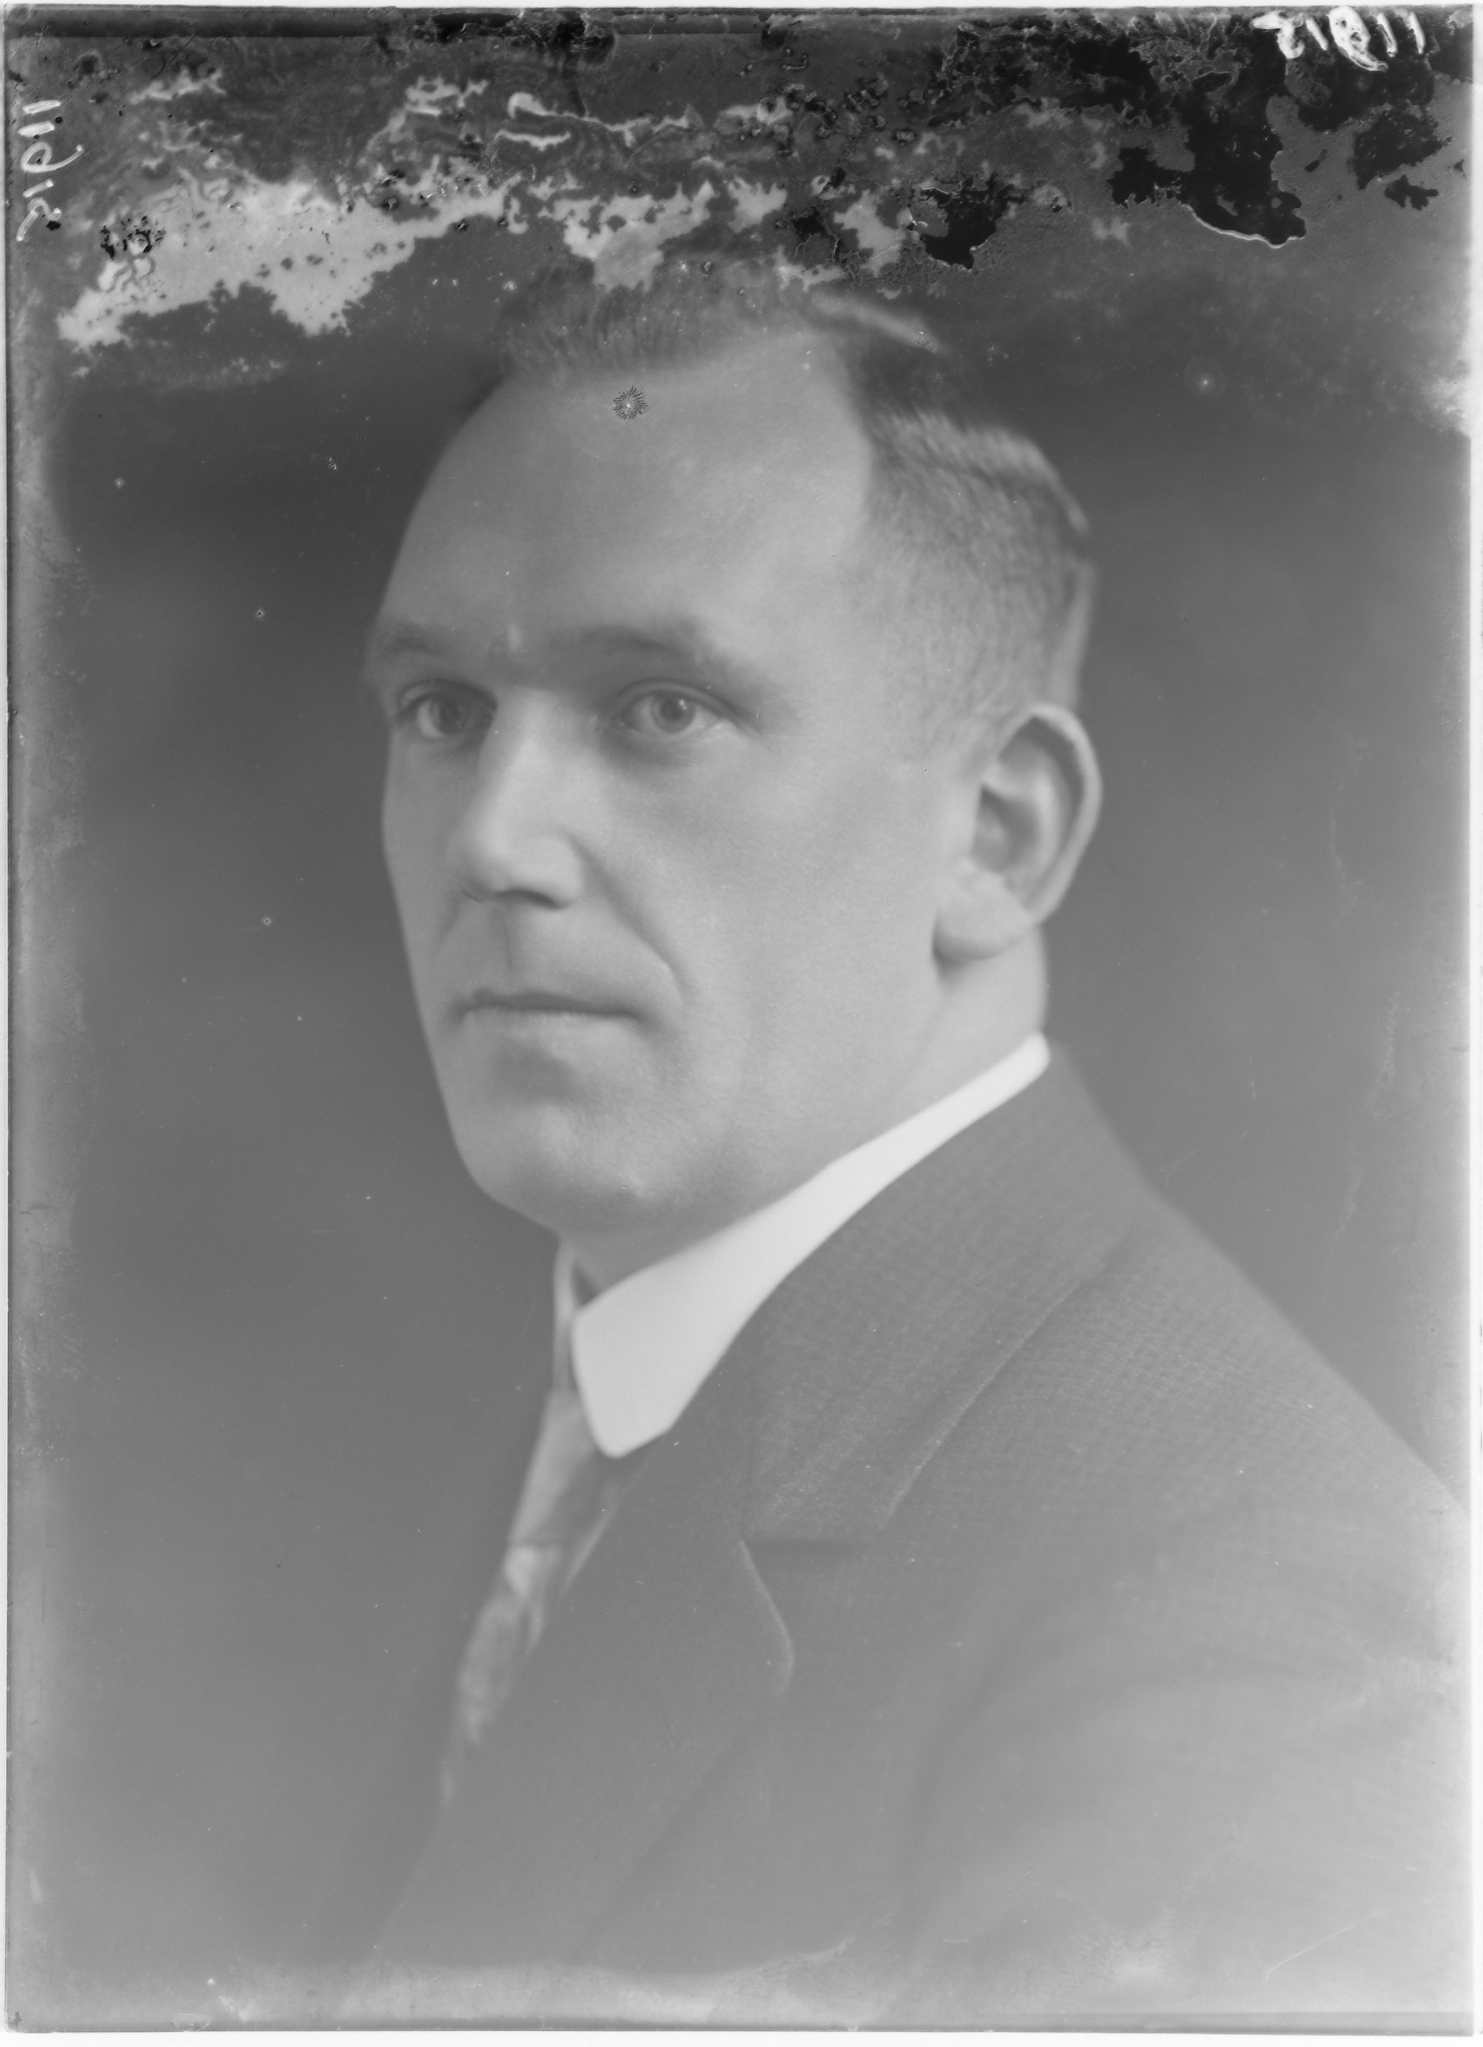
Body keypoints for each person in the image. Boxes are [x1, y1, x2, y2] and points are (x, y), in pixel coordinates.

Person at [302, 262, 1466, 2021]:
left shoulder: (1260, 1617)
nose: (493, 841)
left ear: (998, 835)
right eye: (442, 712)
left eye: (659, 708)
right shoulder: (587, 1393)